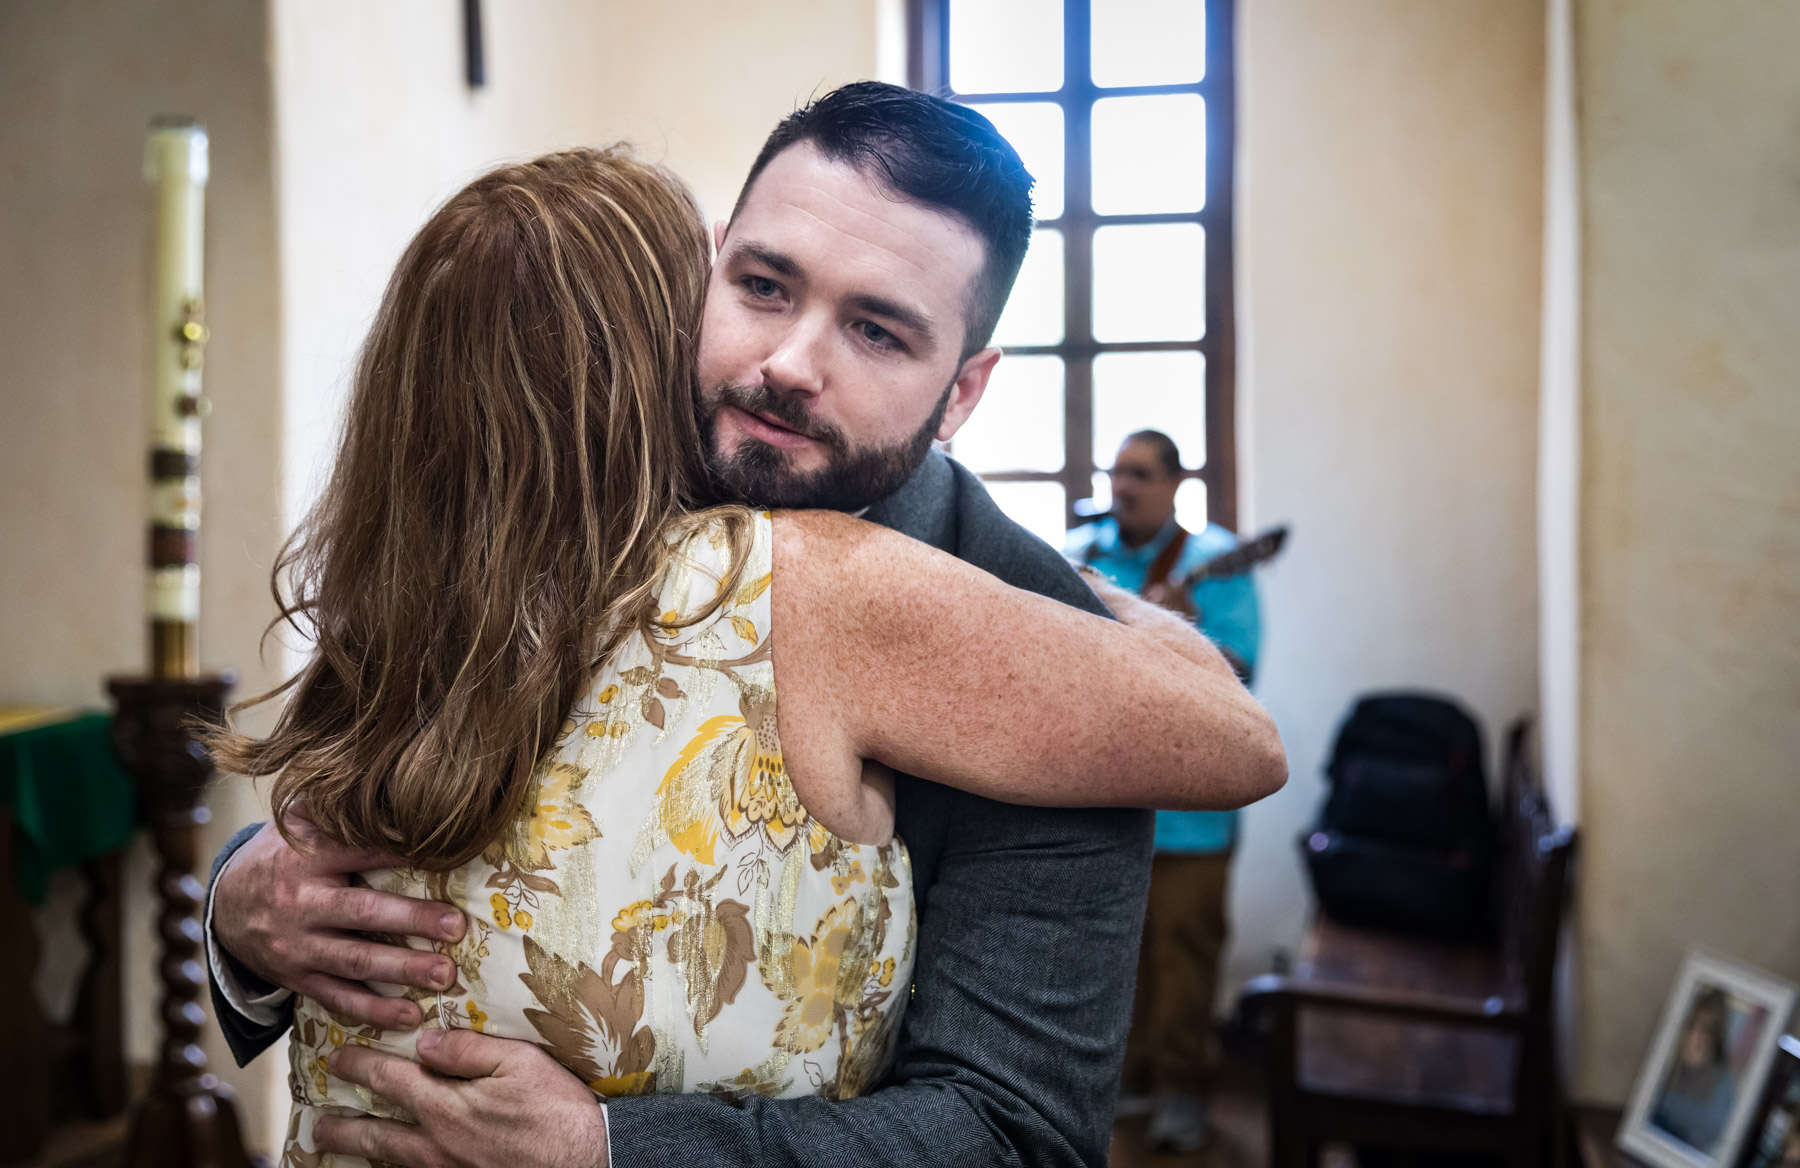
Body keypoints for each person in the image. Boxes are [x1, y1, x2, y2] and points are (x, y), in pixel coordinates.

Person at [204, 85, 1284, 1168]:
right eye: (764, 285)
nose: (790, 366)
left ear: (962, 394)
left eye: (877, 330)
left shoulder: (1041, 648)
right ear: (711, 265)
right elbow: (376, 786)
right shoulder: (570, 480)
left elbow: (1015, 1136)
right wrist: (242, 909)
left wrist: (614, 1151)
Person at [1064, 430, 1263, 1153]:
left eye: (1141, 474)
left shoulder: (1217, 563)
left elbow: (1241, 672)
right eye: (1117, 472)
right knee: (1117, 951)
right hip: (1103, 797)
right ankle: (1131, 1078)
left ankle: (1186, 1087)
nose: (1124, 486)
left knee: (1187, 950)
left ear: (1177, 484)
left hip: (1190, 813)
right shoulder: (1078, 552)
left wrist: (1183, 622)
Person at [1651, 988, 1740, 1154]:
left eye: (1707, 1030)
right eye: (1692, 1026)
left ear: (1717, 1036)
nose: (1698, 1037)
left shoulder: (1724, 1086)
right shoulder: (1661, 1063)